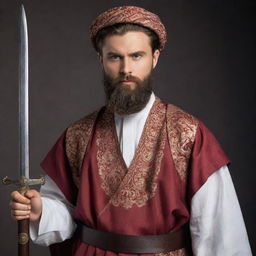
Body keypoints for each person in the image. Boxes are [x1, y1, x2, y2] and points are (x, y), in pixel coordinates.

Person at [9, 5, 252, 256]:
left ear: (154, 57)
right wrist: (42, 212)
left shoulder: (189, 136)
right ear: (101, 60)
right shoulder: (78, 136)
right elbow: (64, 210)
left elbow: (219, 233)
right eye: (115, 57)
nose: (126, 69)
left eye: (137, 56)